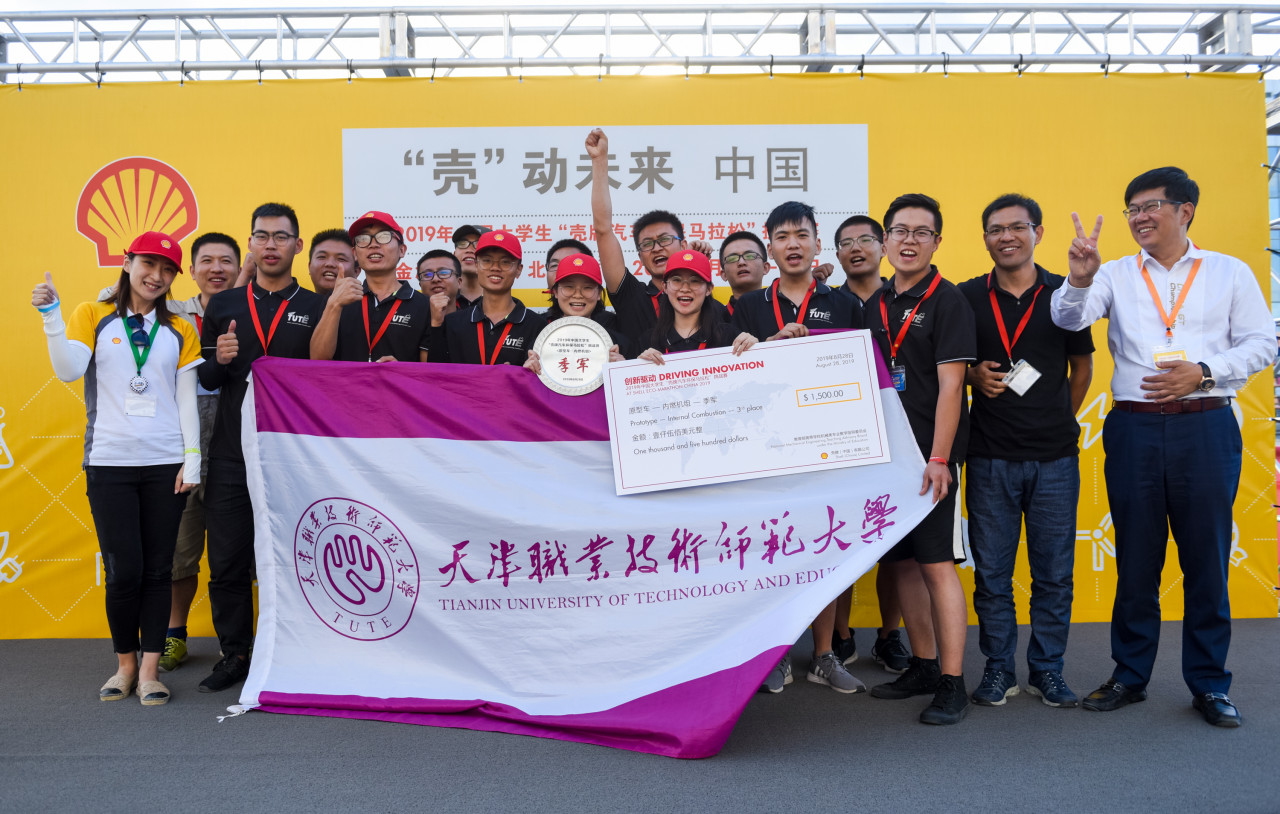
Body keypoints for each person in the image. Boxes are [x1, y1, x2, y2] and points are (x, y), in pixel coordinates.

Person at [1051, 167, 1273, 728]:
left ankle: (1210, 684)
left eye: (1150, 206)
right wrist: (1078, 278)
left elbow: (1262, 343)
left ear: (1185, 210)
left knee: (1206, 559)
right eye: (1132, 209)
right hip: (1136, 430)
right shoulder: (1113, 274)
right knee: (1136, 558)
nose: (1139, 217)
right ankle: (1129, 676)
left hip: (1206, 426)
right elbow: (1067, 318)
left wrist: (1204, 371)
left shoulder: (1229, 271)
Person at [32, 231, 202, 706]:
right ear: (127, 263)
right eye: (149, 264)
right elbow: (68, 370)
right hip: (109, 463)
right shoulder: (93, 313)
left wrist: (193, 460)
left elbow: (186, 400)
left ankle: (150, 671)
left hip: (166, 464)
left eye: (167, 269)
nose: (157, 276)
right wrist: (51, 317)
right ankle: (125, 665)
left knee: (158, 570)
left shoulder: (180, 328)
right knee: (123, 570)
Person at [958, 194, 1095, 709]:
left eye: (1017, 227)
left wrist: (1058, 416)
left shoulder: (1065, 292)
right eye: (996, 229)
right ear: (985, 238)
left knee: (1054, 574)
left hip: (1055, 458)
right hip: (989, 456)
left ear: (1037, 232)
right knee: (992, 575)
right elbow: (951, 366)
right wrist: (972, 375)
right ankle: (998, 668)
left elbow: (1082, 367)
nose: (1007, 237)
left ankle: (1048, 669)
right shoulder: (967, 296)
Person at [724, 202, 862, 695]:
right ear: (770, 250)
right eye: (782, 237)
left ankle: (823, 655)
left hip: (827, 449)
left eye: (801, 235)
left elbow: (860, 374)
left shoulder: (845, 304)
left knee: (825, 552)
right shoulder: (746, 307)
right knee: (771, 554)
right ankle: (775, 654)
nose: (793, 244)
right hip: (765, 451)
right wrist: (769, 345)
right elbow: (730, 379)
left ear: (816, 242)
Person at [198, 203, 323, 693]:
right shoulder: (224, 305)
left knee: (297, 558)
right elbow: (208, 379)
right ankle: (235, 654)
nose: (271, 245)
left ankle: (296, 649)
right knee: (227, 562)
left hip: (293, 456)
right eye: (262, 236)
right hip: (232, 453)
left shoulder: (316, 306)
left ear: (297, 245)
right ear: (250, 244)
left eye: (281, 236)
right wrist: (220, 359)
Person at [864, 194, 977, 725]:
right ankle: (925, 665)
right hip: (888, 460)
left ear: (936, 242)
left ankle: (953, 682)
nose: (908, 241)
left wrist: (940, 458)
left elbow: (953, 388)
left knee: (937, 565)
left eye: (921, 232)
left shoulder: (948, 302)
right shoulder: (876, 302)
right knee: (902, 564)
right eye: (899, 231)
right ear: (885, 240)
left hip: (930, 461)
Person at [158, 232, 241, 673]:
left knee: (237, 556)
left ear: (240, 268)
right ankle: (174, 635)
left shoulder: (253, 311)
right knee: (180, 553)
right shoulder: (168, 313)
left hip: (237, 453)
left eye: (226, 261)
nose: (216, 269)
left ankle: (244, 642)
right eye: (206, 260)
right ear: (190, 270)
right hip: (182, 455)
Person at [585, 128, 722, 350]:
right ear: (640, 257)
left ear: (683, 245)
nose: (657, 248)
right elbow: (603, 230)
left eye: (665, 239)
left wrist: (697, 266)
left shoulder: (709, 304)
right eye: (647, 244)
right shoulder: (631, 296)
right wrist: (599, 160)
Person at [311, 211, 431, 363]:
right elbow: (318, 359)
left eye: (384, 237)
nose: (373, 244)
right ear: (355, 253)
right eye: (363, 239)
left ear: (402, 250)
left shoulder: (424, 305)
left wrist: (401, 370)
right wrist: (334, 305)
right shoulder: (337, 298)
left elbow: (430, 371)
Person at [429, 230, 547, 365]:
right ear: (476, 265)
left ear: (518, 269)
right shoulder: (453, 323)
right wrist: (436, 325)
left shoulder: (537, 326)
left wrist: (523, 372)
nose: (495, 267)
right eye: (487, 261)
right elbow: (435, 373)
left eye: (505, 262)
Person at [636, 249, 756, 360]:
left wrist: (756, 349)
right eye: (677, 280)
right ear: (665, 287)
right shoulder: (648, 341)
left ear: (709, 289)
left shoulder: (729, 336)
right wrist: (640, 366)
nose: (685, 288)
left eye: (695, 281)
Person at [525, 252, 628, 373]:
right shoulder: (539, 344)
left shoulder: (617, 344)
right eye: (569, 287)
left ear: (599, 294)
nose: (577, 295)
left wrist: (623, 370)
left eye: (587, 288)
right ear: (556, 292)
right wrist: (527, 373)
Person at [418, 249, 463, 350]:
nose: (435, 279)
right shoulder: (411, 323)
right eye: (427, 275)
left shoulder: (471, 323)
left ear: (459, 282)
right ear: (420, 284)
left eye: (444, 273)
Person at [717, 231, 768, 317]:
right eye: (732, 258)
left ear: (765, 267)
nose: (741, 262)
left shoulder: (783, 311)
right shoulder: (716, 319)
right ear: (724, 274)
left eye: (750, 256)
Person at [306, 229, 356, 298]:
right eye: (322, 257)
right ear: (309, 267)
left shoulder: (367, 304)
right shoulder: (295, 304)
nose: (330, 264)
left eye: (341, 259)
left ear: (356, 271)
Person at [453, 224, 490, 308]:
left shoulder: (504, 305)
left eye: (479, 244)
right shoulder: (443, 303)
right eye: (462, 243)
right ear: (454, 255)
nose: (469, 250)